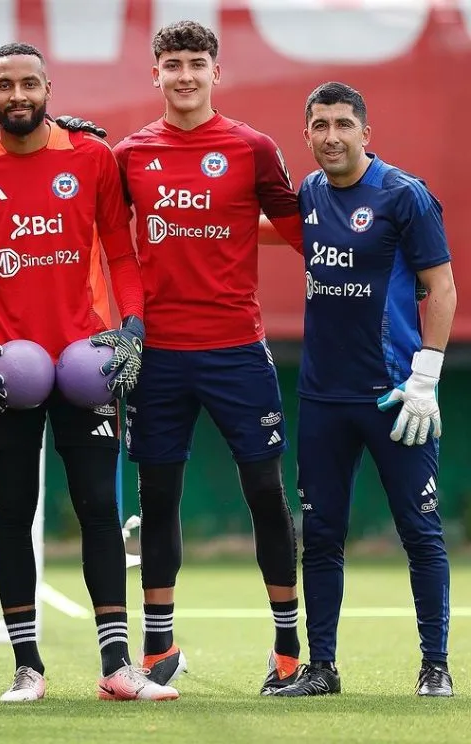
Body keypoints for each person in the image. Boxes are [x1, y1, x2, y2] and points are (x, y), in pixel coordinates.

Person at [0, 42, 178, 703]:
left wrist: (133, 330)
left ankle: (117, 667)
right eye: (4, 85)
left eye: (28, 83)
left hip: (87, 365)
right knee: (13, 512)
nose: (17, 95)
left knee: (99, 508)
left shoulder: (91, 156)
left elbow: (122, 256)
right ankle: (28, 668)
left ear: (48, 88)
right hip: (10, 367)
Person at [109, 20, 305, 696]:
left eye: (197, 63)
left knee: (265, 494)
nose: (185, 75)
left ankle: (288, 649)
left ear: (216, 72)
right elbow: (103, 239)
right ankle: (158, 646)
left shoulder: (252, 148)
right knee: (158, 498)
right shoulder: (130, 154)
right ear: (155, 74)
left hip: (237, 351)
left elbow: (303, 231)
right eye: (173, 64)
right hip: (158, 355)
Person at [271, 82, 457, 698]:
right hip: (323, 399)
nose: (332, 137)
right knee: (321, 537)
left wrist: (426, 376)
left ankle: (435, 666)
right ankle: (321, 668)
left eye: (343, 124)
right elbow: (259, 227)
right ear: (307, 134)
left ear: (365, 133)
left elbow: (442, 287)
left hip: (396, 398)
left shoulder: (404, 196)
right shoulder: (309, 192)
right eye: (320, 125)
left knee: (420, 532)